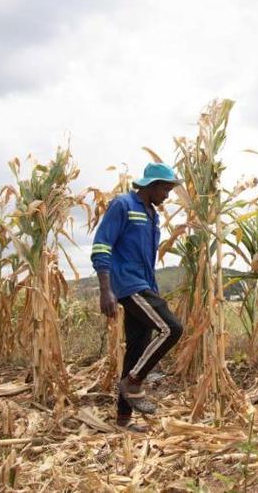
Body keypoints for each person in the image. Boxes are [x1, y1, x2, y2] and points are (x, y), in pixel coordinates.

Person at [91, 162, 184, 431]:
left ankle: (123, 420)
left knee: (137, 347)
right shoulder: (123, 205)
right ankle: (134, 380)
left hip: (144, 283)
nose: (167, 195)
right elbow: (102, 244)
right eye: (165, 189)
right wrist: (105, 288)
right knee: (172, 328)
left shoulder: (151, 214)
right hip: (127, 284)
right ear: (151, 185)